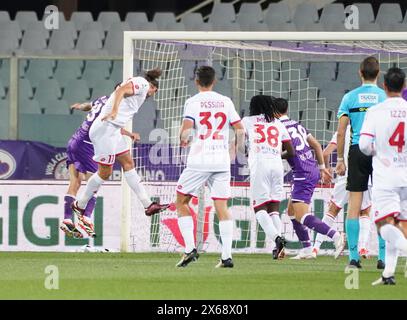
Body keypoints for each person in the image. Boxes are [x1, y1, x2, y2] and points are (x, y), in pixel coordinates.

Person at [72, 68, 169, 229]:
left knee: (128, 162)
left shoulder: (140, 86)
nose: (152, 95)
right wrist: (115, 111)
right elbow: (121, 90)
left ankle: (148, 205)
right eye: (155, 92)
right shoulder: (143, 84)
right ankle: (80, 205)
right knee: (105, 172)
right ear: (154, 88)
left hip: (113, 129)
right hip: (106, 129)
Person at [175, 66, 245, 268]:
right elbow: (240, 130)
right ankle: (226, 256)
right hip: (221, 161)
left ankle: (190, 249)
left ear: (196, 81)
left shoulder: (193, 102)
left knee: (181, 201)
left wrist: (183, 139)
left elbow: (186, 131)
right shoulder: (225, 101)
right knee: (222, 207)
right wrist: (235, 152)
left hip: (200, 160)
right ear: (214, 81)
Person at [275, 98, 345, 260]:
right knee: (291, 211)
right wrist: (322, 167)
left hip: (302, 173)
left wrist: (275, 156)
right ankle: (307, 249)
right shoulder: (296, 124)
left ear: (274, 112)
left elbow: (286, 151)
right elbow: (316, 145)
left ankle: (335, 236)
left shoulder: (278, 127)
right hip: (310, 168)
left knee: (301, 215)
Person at [61, 95, 140, 238]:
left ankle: (67, 219)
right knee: (95, 182)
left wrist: (79, 106)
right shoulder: (114, 105)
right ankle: (87, 218)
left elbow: (88, 106)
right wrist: (129, 134)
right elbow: (111, 126)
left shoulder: (102, 99)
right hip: (87, 145)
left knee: (75, 182)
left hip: (75, 140)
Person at [335, 56, 387, 268]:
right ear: (378, 73)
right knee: (383, 204)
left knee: (354, 205)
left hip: (357, 151)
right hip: (380, 151)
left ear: (360, 72)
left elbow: (341, 132)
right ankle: (383, 258)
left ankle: (353, 258)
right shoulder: (385, 98)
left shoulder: (349, 97)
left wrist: (340, 159)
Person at [313, 127, 386, 269]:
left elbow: (326, 153)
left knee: (332, 210)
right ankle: (362, 247)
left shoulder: (344, 130)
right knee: (364, 211)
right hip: (365, 174)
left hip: (345, 175)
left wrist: (326, 169)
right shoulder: (369, 130)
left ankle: (315, 248)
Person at [359, 67, 407, 285]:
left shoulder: (376, 112)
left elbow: (364, 146)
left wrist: (377, 150)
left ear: (385, 86)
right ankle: (388, 273)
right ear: (403, 86)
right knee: (399, 224)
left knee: (384, 226)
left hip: (386, 177)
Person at [242, 95, 295, 259]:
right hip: (277, 165)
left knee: (259, 209)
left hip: (260, 164)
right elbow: (291, 151)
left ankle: (277, 239)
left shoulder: (247, 121)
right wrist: (275, 154)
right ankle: (278, 248)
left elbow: (240, 144)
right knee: (274, 209)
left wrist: (248, 151)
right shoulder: (278, 124)